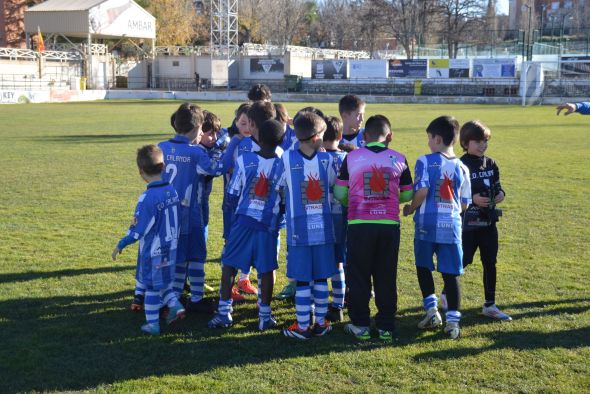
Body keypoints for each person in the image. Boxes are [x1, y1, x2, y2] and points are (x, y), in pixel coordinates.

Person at [335, 115, 413, 340]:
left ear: (365, 137)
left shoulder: (352, 157)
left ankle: (360, 325)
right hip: (389, 225)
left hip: (360, 224)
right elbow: (407, 193)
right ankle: (386, 326)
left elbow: (340, 193)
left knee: (358, 275)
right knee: (386, 275)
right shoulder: (399, 158)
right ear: (390, 136)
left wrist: (355, 203)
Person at [159, 103, 240, 313]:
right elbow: (219, 168)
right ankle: (196, 299)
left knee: (177, 256)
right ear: (198, 128)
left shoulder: (162, 147)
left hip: (166, 213)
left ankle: (174, 299)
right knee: (195, 256)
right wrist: (232, 144)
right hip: (190, 214)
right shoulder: (195, 153)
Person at [208, 120, 286, 330]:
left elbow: (232, 193)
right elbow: (286, 200)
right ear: (283, 140)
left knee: (229, 264)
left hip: (242, 221)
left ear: (258, 138)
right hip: (268, 226)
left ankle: (224, 313)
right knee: (266, 269)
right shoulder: (284, 163)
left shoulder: (245, 160)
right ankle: (265, 316)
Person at [403, 116, 471, 340]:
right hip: (451, 224)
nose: (428, 142)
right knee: (450, 274)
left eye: (429, 138)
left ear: (438, 138)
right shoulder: (462, 167)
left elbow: (421, 192)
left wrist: (410, 208)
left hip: (426, 224)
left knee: (424, 266)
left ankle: (432, 311)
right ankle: (453, 323)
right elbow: (464, 203)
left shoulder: (425, 161)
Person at [112, 145, 185, 335]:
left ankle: (152, 325)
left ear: (141, 172)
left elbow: (138, 230)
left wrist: (121, 243)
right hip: (172, 247)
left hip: (154, 252)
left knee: (152, 288)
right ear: (163, 167)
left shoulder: (147, 198)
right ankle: (176, 305)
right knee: (164, 284)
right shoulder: (172, 191)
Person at [445, 120, 511, 321]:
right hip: (468, 223)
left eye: (485, 141)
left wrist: (500, 194)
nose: (482, 145)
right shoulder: (460, 163)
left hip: (489, 222)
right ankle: (447, 293)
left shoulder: (491, 163)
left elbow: (497, 185)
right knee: (464, 260)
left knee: (490, 262)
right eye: (478, 141)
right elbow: (452, 191)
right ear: (465, 142)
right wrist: (472, 198)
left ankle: (490, 305)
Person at [280, 112, 336, 340]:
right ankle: (321, 323)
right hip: (323, 229)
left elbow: (279, 184)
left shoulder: (286, 158)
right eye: (323, 135)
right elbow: (332, 184)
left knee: (303, 278)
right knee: (321, 277)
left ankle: (303, 326)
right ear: (315, 139)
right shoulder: (327, 160)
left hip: (298, 232)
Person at [322, 116, 348, 322]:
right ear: (340, 135)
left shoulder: (317, 159)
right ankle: (338, 304)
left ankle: (318, 304)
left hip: (321, 216)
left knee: (321, 260)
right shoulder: (349, 158)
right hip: (344, 216)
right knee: (339, 261)